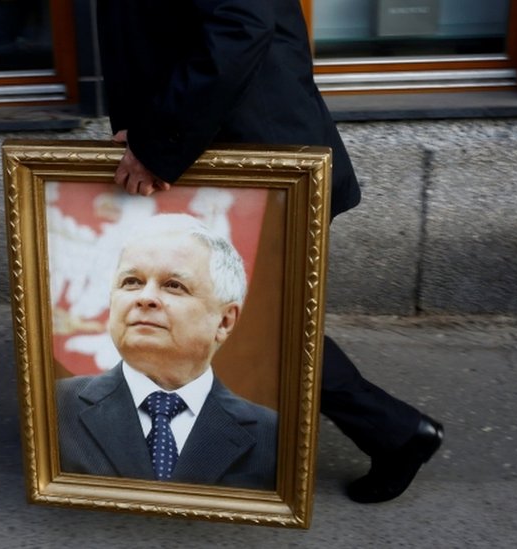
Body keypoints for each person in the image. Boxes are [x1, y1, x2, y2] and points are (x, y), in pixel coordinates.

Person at [95, 0, 443, 503]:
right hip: (217, 153)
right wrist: (144, 132)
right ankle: (395, 432)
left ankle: (396, 432)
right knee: (258, 319)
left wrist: (156, 141)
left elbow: (241, 26)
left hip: (251, 156)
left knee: (259, 321)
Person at [57, 214, 277, 490]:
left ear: (224, 321)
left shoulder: (273, 436)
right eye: (132, 282)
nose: (145, 297)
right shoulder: (53, 406)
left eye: (173, 285)